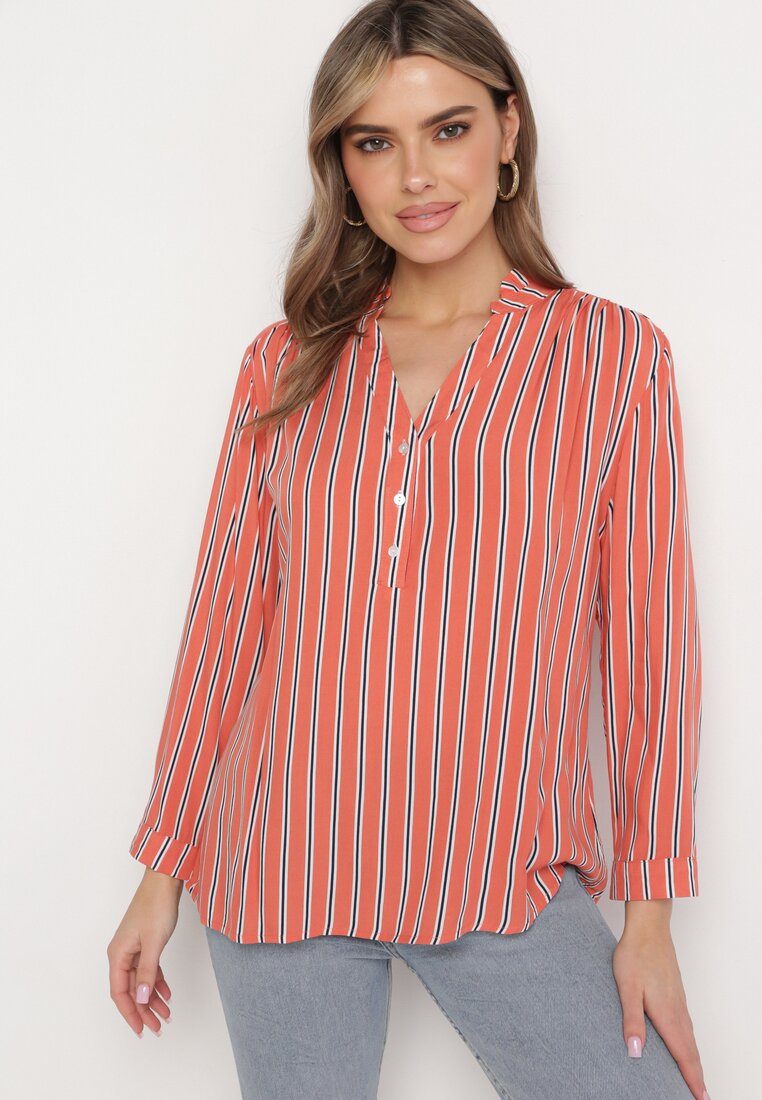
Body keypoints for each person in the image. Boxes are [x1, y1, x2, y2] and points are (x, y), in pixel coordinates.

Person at [107, 1, 710, 1097]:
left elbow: (652, 654)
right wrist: (161, 871)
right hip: (281, 865)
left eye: (449, 128)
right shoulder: (286, 361)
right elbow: (224, 629)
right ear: (342, 166)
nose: (416, 176)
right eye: (374, 142)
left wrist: (649, 916)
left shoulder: (613, 359)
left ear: (508, 130)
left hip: (501, 868)